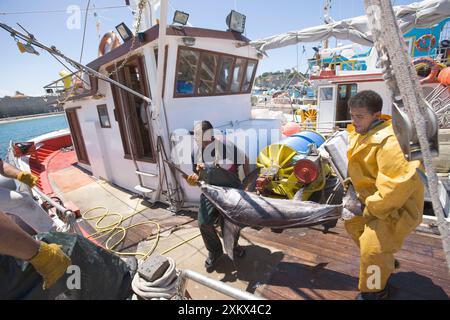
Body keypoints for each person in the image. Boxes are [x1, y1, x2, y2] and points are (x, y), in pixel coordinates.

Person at [343, 90, 424, 300]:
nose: (354, 121)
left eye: (359, 117)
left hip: (394, 208)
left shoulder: (392, 144)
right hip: (370, 202)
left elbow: (396, 188)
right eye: (352, 115)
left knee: (372, 251)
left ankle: (375, 292)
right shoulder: (362, 133)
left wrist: (369, 206)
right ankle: (384, 263)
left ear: (376, 116)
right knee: (352, 225)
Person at [186, 121, 251, 272]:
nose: (197, 139)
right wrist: (192, 180)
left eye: (200, 136)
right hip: (210, 192)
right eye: (196, 136)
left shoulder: (227, 147)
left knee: (230, 224)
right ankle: (215, 252)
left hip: (231, 191)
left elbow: (245, 160)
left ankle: (233, 247)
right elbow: (197, 176)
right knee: (203, 222)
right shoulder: (195, 152)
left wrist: (246, 185)